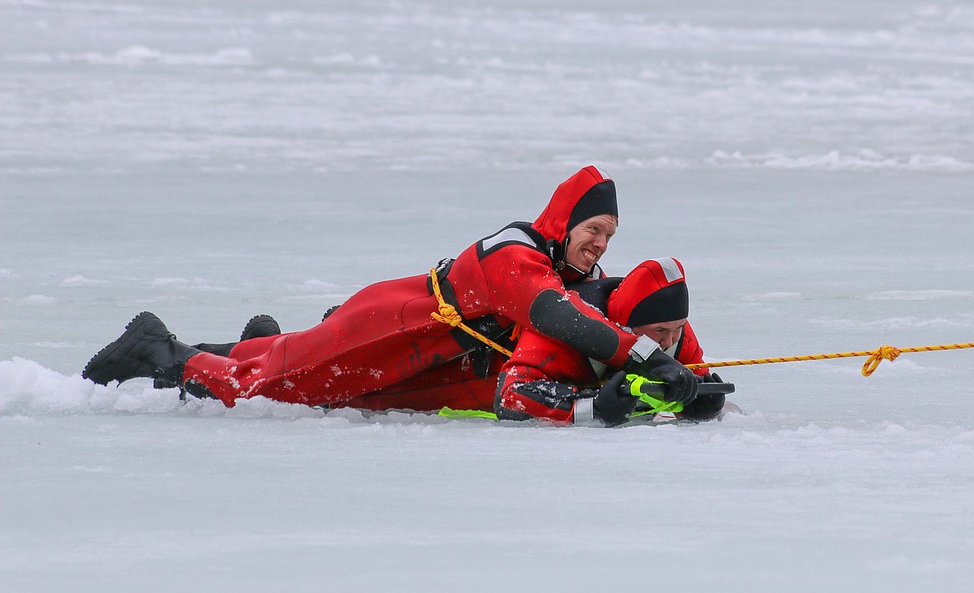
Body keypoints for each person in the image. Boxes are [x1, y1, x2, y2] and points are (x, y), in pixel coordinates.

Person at [82, 167, 700, 409]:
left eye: (610, 235)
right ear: (564, 220)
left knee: (292, 369)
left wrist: (682, 365)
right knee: (266, 394)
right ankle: (159, 349)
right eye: (593, 229)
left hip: (427, 352)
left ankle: (266, 341)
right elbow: (558, 318)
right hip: (391, 327)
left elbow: (626, 303)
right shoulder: (515, 251)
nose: (600, 245)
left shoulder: (579, 273)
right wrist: (641, 355)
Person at [496, 257, 728, 426]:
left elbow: (702, 388)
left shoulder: (678, 336)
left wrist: (703, 407)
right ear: (626, 325)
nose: (668, 340)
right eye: (659, 330)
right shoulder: (564, 329)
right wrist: (592, 408)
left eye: (679, 327)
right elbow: (510, 396)